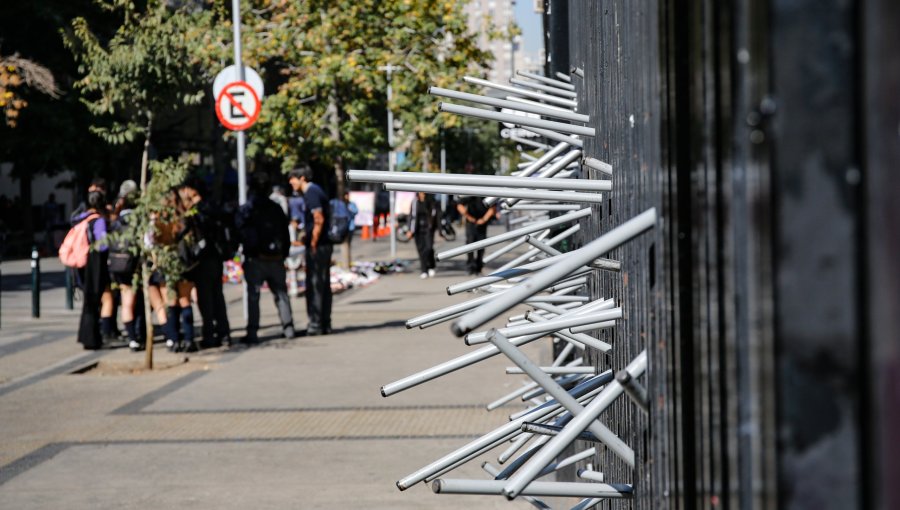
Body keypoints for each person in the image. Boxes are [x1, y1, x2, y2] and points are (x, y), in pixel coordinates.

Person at [236, 173, 294, 343]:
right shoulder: (275, 209)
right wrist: (284, 253)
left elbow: (239, 230)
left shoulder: (248, 209)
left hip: (255, 258)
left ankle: (253, 332)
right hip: (275, 258)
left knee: (253, 296)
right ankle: (288, 327)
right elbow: (285, 232)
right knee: (281, 294)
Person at [177, 180, 232, 349]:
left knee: (205, 299)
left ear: (190, 190)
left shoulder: (195, 211)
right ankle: (224, 334)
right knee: (218, 296)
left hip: (202, 259)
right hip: (216, 256)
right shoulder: (212, 206)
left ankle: (209, 335)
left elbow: (184, 232)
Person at [288, 165, 333, 336]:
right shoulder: (315, 191)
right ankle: (324, 323)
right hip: (321, 244)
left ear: (302, 178)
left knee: (315, 284)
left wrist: (313, 242)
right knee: (322, 284)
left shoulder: (311, 192)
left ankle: (316, 323)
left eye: (293, 178)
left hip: (319, 246)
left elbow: (318, 219)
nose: (290, 182)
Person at [108, 180, 146, 351]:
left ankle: (132, 338)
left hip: (119, 265)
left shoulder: (116, 221)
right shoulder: (139, 219)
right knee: (138, 302)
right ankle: (139, 334)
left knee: (126, 301)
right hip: (136, 264)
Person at [73, 188, 110, 350]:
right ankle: (92, 338)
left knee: (87, 302)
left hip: (81, 263)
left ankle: (86, 336)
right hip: (94, 264)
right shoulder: (98, 220)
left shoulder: (80, 219)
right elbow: (103, 245)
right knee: (94, 301)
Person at [457, 196, 496, 275]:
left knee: (481, 245)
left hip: (483, 223)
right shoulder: (470, 195)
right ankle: (470, 266)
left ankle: (479, 267)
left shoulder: (486, 195)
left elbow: (493, 208)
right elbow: (459, 206)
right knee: (470, 244)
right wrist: (469, 217)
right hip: (471, 222)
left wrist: (484, 219)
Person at [407, 192, 439, 279]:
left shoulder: (431, 202)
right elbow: (411, 216)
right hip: (418, 229)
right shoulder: (414, 202)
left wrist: (439, 230)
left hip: (428, 229)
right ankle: (424, 270)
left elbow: (436, 215)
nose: (422, 194)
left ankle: (431, 266)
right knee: (421, 250)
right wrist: (410, 229)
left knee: (429, 248)